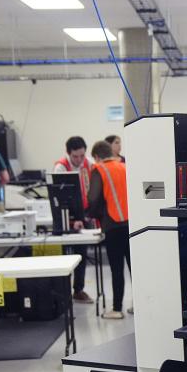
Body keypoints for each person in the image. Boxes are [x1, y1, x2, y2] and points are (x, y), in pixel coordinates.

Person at [88, 140, 131, 319]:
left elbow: (93, 199)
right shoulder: (124, 166)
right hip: (132, 224)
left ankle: (117, 309)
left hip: (113, 225)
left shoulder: (99, 170)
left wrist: (92, 215)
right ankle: (141, 305)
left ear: (97, 157)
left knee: (116, 269)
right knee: (134, 268)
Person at [52, 136, 93, 304]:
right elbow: (57, 198)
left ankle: (78, 290)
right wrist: (69, 221)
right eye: (75, 156)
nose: (79, 160)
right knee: (64, 257)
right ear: (68, 153)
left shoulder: (88, 164)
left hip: (83, 212)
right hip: (64, 214)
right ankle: (62, 292)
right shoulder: (61, 167)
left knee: (81, 254)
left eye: (82, 155)